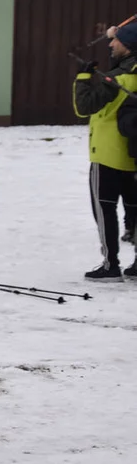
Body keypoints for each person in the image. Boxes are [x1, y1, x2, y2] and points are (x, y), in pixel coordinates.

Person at [75, 23, 137, 280]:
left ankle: (110, 264)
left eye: (116, 41)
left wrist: (82, 78)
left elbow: (84, 106)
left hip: (108, 155)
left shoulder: (118, 80)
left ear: (129, 45)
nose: (111, 45)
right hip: (134, 155)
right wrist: (114, 31)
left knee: (105, 209)